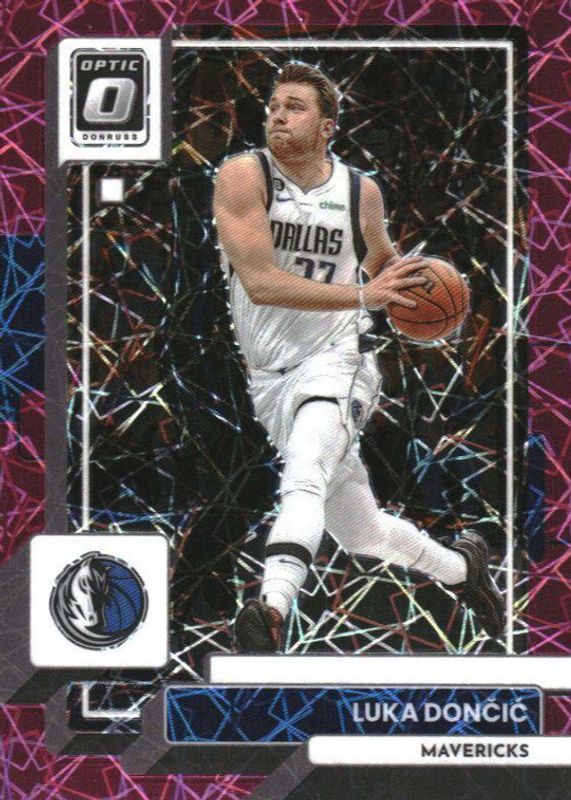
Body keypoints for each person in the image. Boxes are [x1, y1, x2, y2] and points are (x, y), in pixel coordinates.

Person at [212, 61, 504, 652]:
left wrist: (428, 294)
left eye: (295, 107)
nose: (278, 115)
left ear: (328, 126)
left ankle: (271, 608)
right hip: (269, 378)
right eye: (274, 106)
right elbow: (261, 282)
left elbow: (383, 267)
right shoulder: (244, 175)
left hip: (338, 361)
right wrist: (367, 293)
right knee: (361, 532)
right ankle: (462, 568)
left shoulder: (358, 191)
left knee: (303, 476)